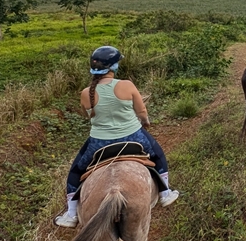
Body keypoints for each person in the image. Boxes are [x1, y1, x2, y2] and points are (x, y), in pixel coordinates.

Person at [55, 45, 179, 228]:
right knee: (158, 155)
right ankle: (165, 193)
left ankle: (71, 213)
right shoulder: (126, 85)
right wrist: (145, 122)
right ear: (113, 67)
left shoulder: (84, 93)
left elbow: (89, 116)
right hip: (133, 135)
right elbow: (142, 111)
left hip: (98, 142)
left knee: (75, 172)